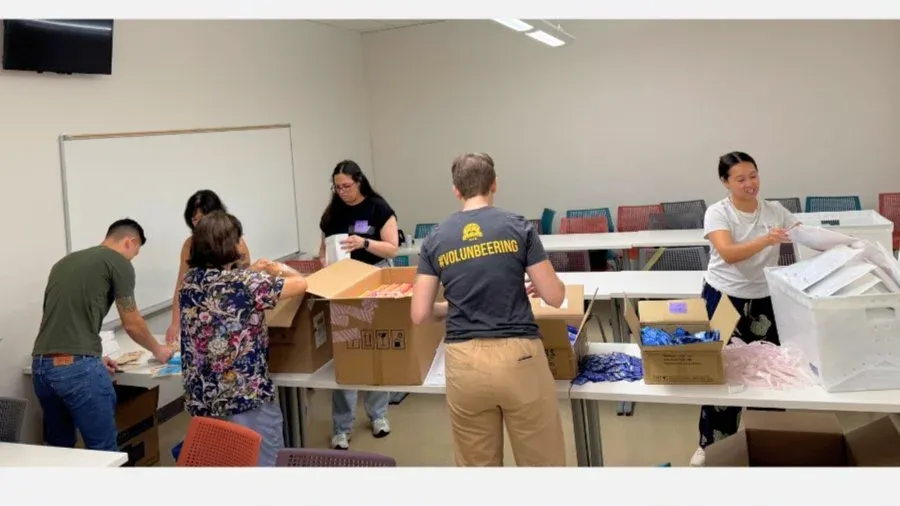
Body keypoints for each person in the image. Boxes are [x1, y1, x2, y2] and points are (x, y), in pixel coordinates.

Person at [410, 152, 568, 467]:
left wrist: (449, 308)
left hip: (465, 364)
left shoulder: (435, 239)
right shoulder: (518, 227)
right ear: (494, 184)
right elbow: (553, 296)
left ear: (456, 190)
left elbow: (419, 314)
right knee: (542, 466)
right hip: (519, 357)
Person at [690, 151, 799, 466]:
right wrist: (767, 240)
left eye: (753, 175)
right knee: (718, 370)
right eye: (740, 178)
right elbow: (727, 253)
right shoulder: (717, 213)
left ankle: (770, 440)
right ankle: (709, 444)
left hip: (764, 298)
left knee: (770, 370)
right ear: (726, 182)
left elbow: (803, 232)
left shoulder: (774, 210)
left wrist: (843, 243)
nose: (750, 183)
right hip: (724, 298)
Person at [178, 211, 309, 467]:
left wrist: (251, 271)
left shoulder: (190, 282)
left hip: (204, 396)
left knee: (225, 463)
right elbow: (300, 283)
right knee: (263, 461)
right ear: (230, 243)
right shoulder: (246, 282)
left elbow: (225, 290)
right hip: (243, 393)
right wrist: (273, 268)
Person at [31, 219, 174, 451]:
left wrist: (94, 357)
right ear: (131, 241)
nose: (132, 259)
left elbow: (52, 320)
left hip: (41, 367)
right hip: (77, 372)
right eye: (135, 253)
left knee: (58, 452)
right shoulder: (118, 262)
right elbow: (132, 323)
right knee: (104, 452)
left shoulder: (63, 263)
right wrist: (159, 350)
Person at [318, 159, 400, 450]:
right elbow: (323, 249)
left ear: (359, 181)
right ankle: (342, 427)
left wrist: (364, 243)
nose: (342, 192)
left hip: (376, 280)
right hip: (344, 285)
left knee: (377, 348)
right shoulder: (332, 214)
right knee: (348, 351)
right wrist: (324, 261)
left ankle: (379, 414)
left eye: (347, 186)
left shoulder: (377, 207)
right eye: (337, 187)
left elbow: (392, 247)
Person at [166, 190, 251, 345]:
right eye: (194, 219)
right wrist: (175, 324)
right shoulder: (190, 244)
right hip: (201, 319)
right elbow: (181, 285)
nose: (199, 224)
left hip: (232, 315)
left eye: (203, 218)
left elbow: (247, 281)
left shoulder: (237, 243)